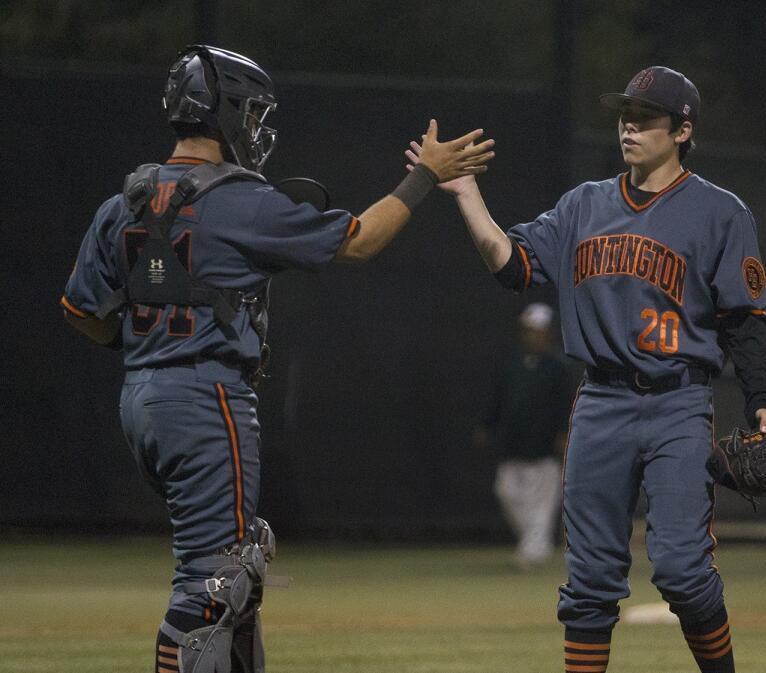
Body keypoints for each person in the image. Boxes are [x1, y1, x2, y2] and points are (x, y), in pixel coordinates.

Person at [60, 44, 493, 673]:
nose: (257, 128)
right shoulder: (242, 200)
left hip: (142, 400)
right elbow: (361, 241)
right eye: (252, 113)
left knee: (239, 573)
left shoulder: (121, 201)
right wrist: (426, 172)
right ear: (227, 110)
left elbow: (80, 312)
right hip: (207, 397)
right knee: (215, 583)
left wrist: (154, 347)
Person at [409, 65, 766, 673]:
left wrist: (760, 400)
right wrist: (468, 197)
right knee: (589, 584)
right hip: (601, 402)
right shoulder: (584, 205)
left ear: (683, 130)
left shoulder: (720, 213)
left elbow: (744, 319)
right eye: (624, 114)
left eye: (646, 117)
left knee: (684, 573)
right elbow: (513, 267)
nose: (629, 126)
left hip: (679, 403)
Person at [478, 302, 576, 569]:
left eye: (539, 330)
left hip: (543, 447)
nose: (534, 335)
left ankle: (534, 550)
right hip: (512, 444)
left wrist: (565, 433)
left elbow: (569, 403)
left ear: (548, 332)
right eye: (530, 330)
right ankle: (534, 544)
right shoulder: (511, 364)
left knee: (542, 503)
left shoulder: (559, 367)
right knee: (506, 492)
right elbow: (498, 399)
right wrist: (488, 425)